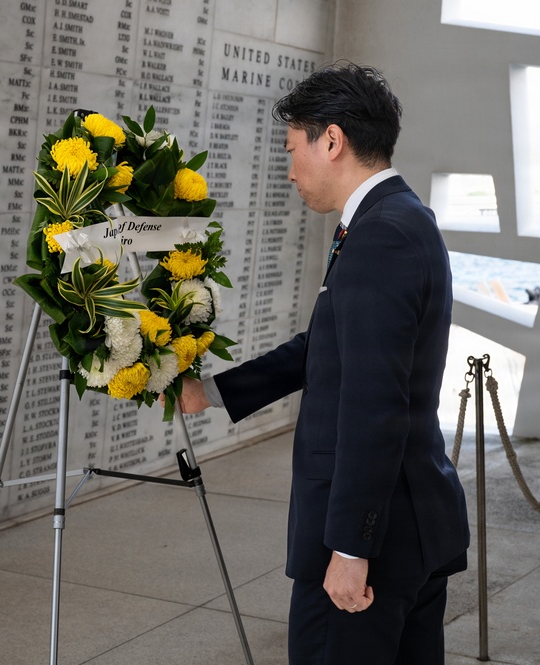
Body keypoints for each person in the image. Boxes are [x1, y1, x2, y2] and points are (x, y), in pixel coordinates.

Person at [177, 62, 470, 664]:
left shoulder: (382, 235)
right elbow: (327, 349)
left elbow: (374, 403)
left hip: (374, 544)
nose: (290, 170)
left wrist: (351, 547)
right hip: (409, 523)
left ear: (331, 140)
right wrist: (210, 391)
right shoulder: (397, 219)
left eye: (293, 149)